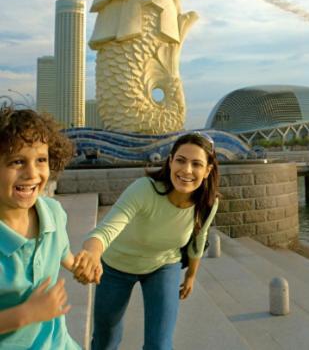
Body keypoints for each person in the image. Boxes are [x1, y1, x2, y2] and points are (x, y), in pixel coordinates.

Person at [73, 132, 220, 350]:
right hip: (115, 266)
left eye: (196, 164)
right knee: (105, 341)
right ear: (170, 162)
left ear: (207, 170)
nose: (187, 170)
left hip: (163, 265)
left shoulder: (207, 203)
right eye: (180, 160)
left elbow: (199, 239)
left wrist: (190, 276)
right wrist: (92, 254)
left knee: (159, 345)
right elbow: (106, 230)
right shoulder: (144, 189)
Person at [0, 107, 81, 349]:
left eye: (41, 160)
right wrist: (26, 314)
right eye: (17, 161)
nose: (32, 174)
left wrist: (82, 267)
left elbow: (62, 254)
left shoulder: (53, 213)